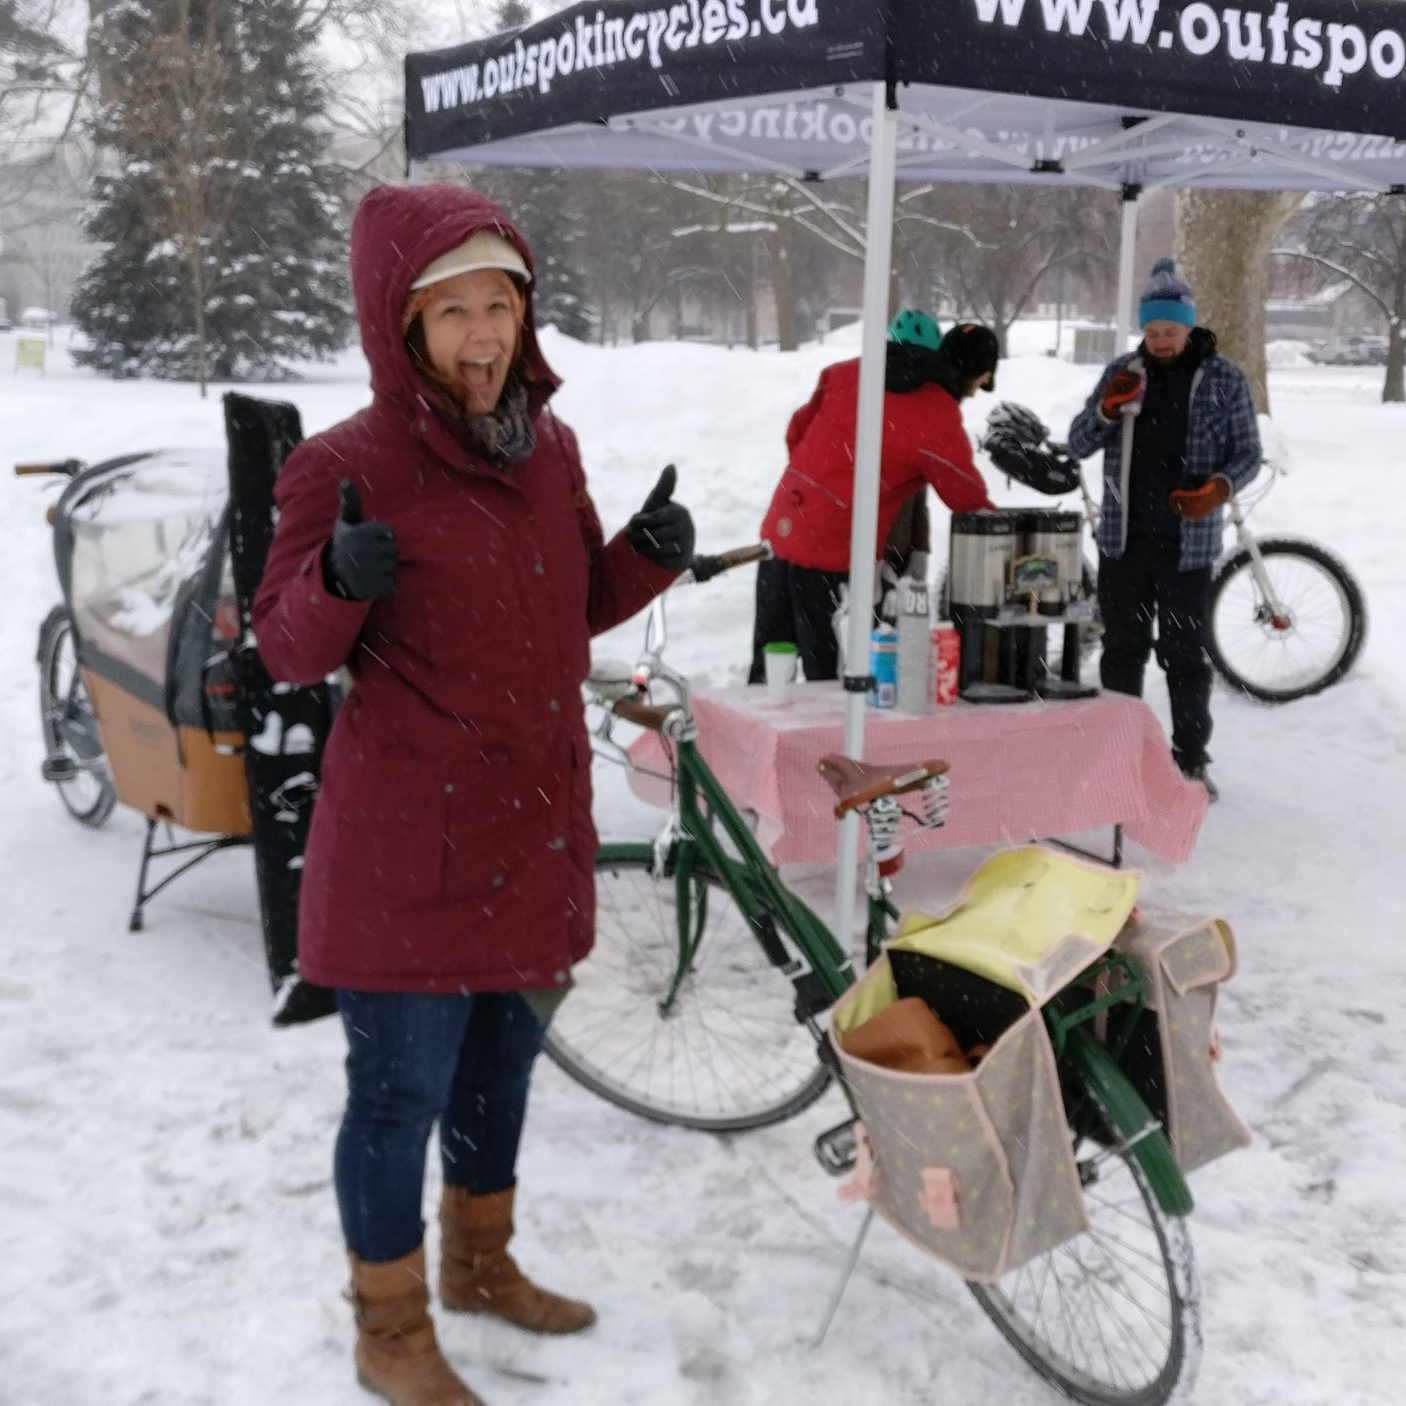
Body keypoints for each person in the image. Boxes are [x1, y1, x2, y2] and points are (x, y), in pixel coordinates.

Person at [252, 182, 693, 1406]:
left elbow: (572, 609)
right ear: (400, 328)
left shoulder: (546, 448)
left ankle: (479, 1263)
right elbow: (282, 648)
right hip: (409, 856)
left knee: (503, 1075)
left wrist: (642, 557)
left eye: (498, 302)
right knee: (397, 1096)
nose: (483, 334)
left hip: (532, 831)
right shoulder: (341, 466)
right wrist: (339, 580)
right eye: (451, 311)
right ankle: (388, 1325)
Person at [1068, 257, 1260, 801]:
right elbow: (1077, 443)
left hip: (1187, 548)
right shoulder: (1124, 372)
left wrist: (1218, 488)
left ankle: (1190, 761)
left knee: (1184, 656)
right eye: (1151, 331)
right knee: (1122, 651)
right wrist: (1107, 410)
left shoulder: (1224, 380)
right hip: (1124, 544)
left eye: (1170, 330)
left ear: (1190, 325)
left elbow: (1249, 451)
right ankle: (1119, 755)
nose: (1160, 341)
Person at [748, 315, 999, 682]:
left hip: (779, 530)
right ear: (970, 374)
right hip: (832, 554)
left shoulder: (848, 372)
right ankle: (830, 742)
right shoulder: (934, 413)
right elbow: (968, 498)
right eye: (982, 381)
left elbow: (797, 432)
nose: (979, 390)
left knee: (770, 664)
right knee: (832, 678)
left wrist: (820, 487)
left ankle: (754, 736)